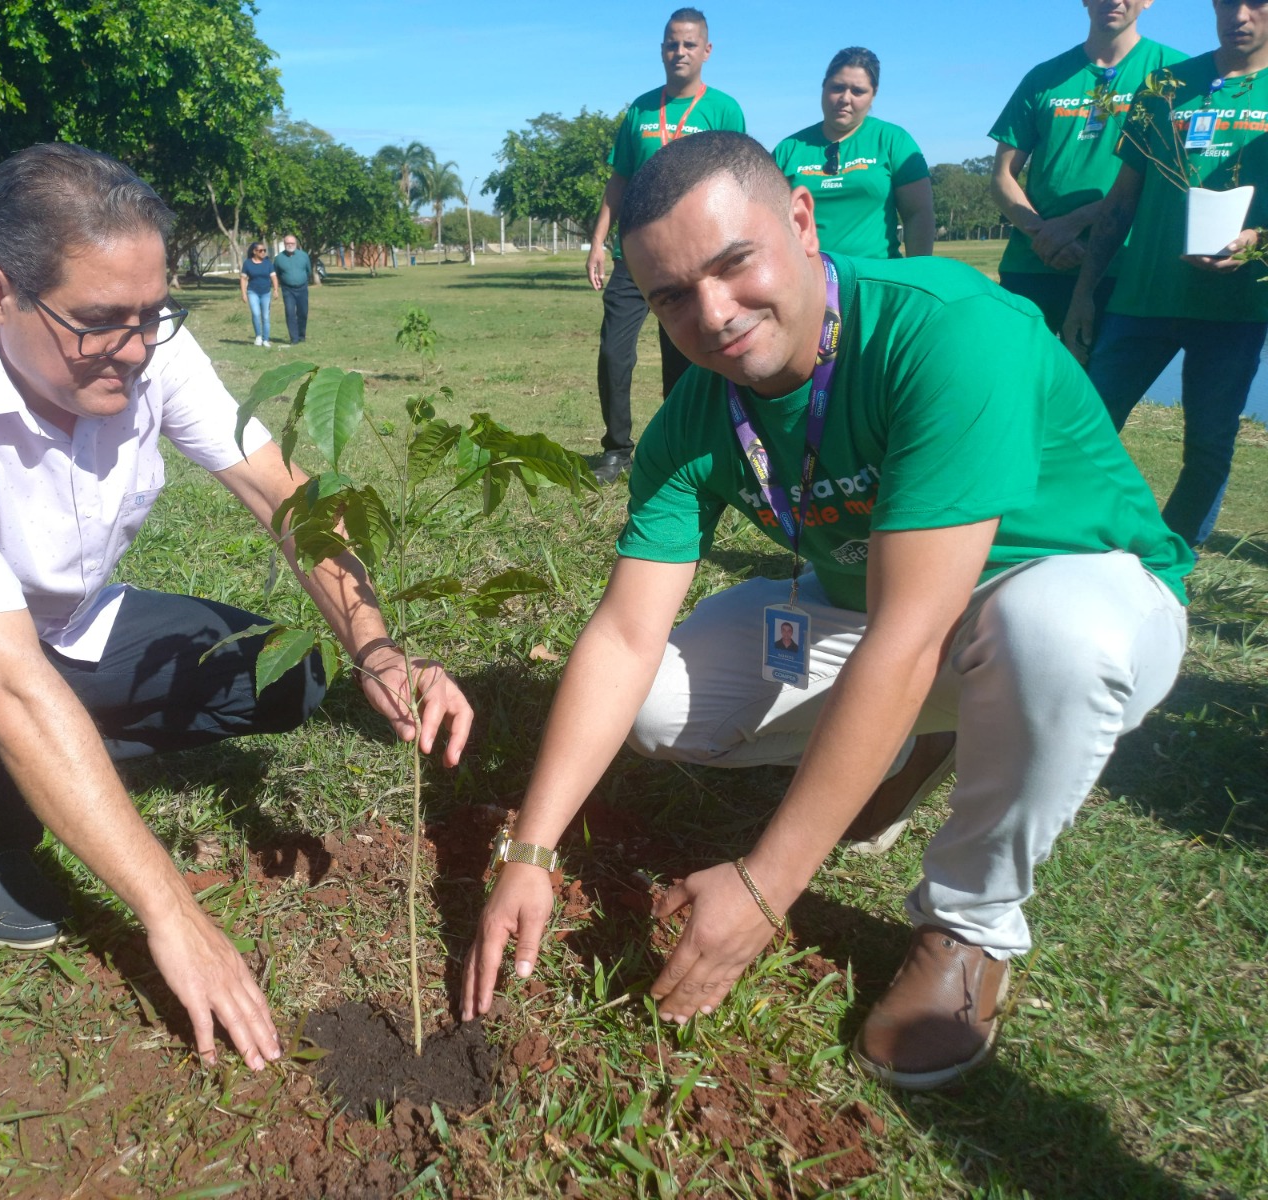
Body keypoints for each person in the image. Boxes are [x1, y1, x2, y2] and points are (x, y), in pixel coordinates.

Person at [462, 131, 1191, 1091]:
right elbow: (626, 632)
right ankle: (916, 741)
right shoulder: (697, 418)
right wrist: (531, 848)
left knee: (1050, 638)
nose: (713, 316)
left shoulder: (947, 330)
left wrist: (766, 886)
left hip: (1074, 596)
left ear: (802, 223)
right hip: (876, 610)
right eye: (673, 296)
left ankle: (970, 928)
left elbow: (911, 632)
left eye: (734, 265)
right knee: (656, 703)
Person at [0, 144, 474, 1073]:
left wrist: (379, 650)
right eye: (104, 322)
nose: (140, 348)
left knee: (284, 674)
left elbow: (282, 497)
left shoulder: (149, 350)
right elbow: (5, 681)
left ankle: (57, 767)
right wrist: (173, 912)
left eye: (155, 314)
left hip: (60, 632)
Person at [1065, 0, 1268, 547]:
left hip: (1235, 308)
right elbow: (1120, 201)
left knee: (1208, 445)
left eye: (1257, 3)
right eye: (1228, 2)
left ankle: (1170, 560)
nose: (1240, 15)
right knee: (1084, 428)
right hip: (1141, 297)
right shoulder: (1167, 83)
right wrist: (1085, 295)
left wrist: (1257, 241)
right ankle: (1075, 538)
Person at [585, 6, 747, 485]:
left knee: (690, 353)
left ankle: (686, 448)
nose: (680, 51)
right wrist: (598, 242)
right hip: (635, 257)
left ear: (707, 51)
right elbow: (619, 182)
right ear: (661, 49)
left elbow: (735, 179)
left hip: (695, 257)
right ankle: (617, 450)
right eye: (672, 43)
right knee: (615, 352)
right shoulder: (639, 109)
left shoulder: (723, 109)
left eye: (689, 44)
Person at [989, 0, 1183, 337]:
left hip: (1122, 268)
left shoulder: (1175, 74)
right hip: (1034, 266)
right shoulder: (1043, 78)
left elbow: (1166, 179)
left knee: (1099, 388)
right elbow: (1002, 176)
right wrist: (1043, 234)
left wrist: (1074, 222)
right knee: (1024, 385)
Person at [771, 48, 935, 259]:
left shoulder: (894, 141)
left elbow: (918, 214)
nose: (845, 98)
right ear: (823, 87)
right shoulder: (789, 149)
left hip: (875, 279)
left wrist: (918, 273)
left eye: (858, 91)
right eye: (837, 88)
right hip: (809, 280)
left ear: (873, 94)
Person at [274, 234, 312, 345]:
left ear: (296, 244)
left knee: (303, 312)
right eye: (288, 243)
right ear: (284, 244)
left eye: (292, 243)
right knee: (290, 313)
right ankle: (294, 339)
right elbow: (276, 273)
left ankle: (301, 335)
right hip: (288, 290)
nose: (290, 245)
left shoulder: (304, 256)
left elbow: (308, 271)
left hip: (302, 288)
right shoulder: (279, 258)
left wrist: (304, 281)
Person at [240, 241, 278, 346]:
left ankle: (266, 339)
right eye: (261, 250)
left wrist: (275, 289)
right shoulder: (247, 263)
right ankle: (258, 336)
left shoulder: (268, 263)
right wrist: (243, 293)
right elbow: (243, 279)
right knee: (256, 314)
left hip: (266, 292)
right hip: (252, 292)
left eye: (264, 250)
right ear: (254, 252)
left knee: (265, 316)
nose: (263, 252)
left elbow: (273, 277)